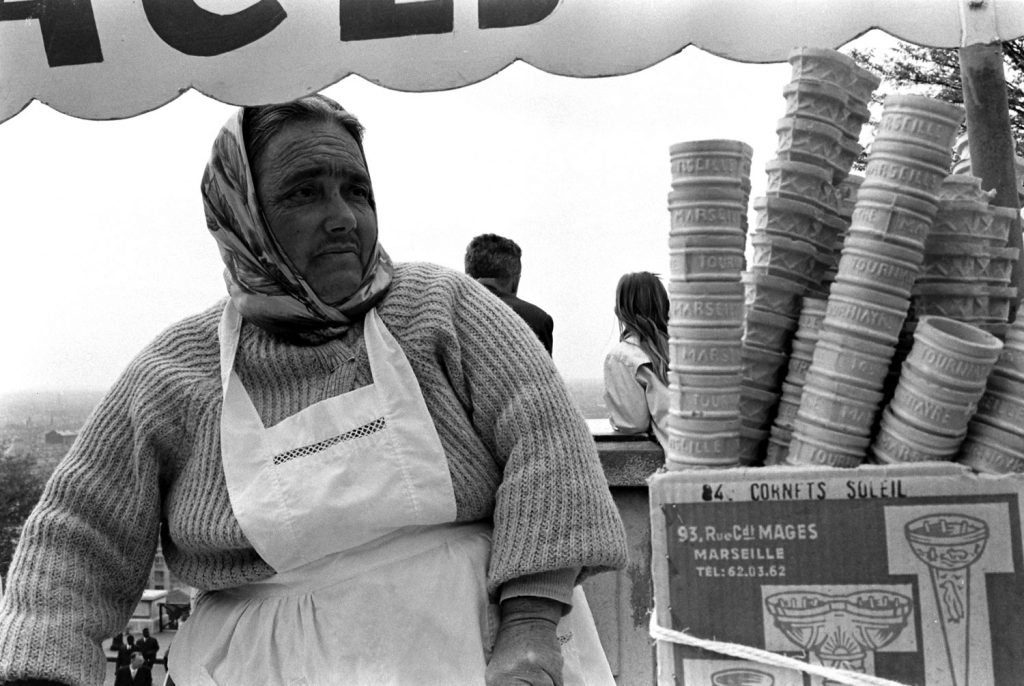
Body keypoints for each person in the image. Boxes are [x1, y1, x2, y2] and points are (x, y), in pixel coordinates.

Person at [0, 94, 627, 686]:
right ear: (242, 214)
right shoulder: (174, 374)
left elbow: (549, 446)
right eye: (304, 193)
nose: (342, 218)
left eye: (356, 190)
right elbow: (77, 538)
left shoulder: (442, 309)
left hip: (474, 655)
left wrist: (531, 624)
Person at [603, 272, 671, 446]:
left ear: (621, 310)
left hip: (683, 459)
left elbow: (632, 424)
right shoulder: (685, 347)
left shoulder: (622, 357)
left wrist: (613, 418)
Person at [465, 233, 555, 354]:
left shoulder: (447, 310)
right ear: (515, 281)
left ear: (467, 274)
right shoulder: (537, 319)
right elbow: (545, 373)